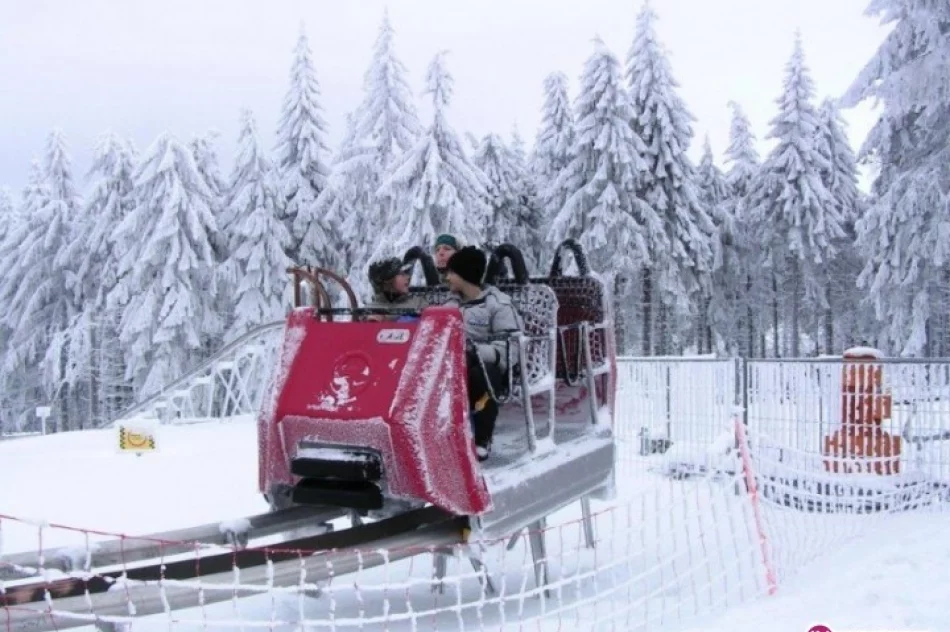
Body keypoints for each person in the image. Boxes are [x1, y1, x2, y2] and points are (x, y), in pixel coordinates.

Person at [442, 246, 524, 461]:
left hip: (489, 371)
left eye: (451, 272)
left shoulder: (498, 304)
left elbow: (510, 348)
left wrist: (473, 351)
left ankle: (481, 439)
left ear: (464, 275)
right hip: (452, 364)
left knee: (481, 373)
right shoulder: (450, 303)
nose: (447, 277)